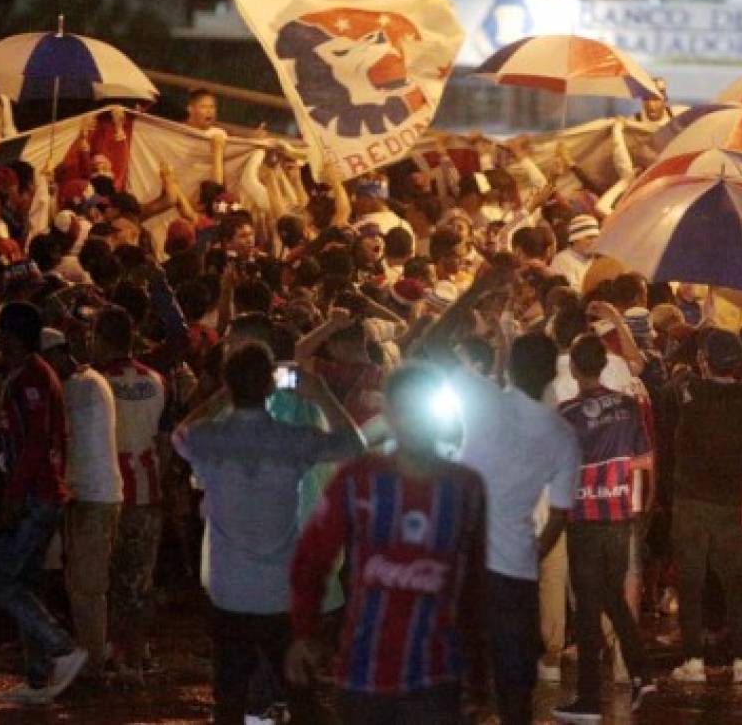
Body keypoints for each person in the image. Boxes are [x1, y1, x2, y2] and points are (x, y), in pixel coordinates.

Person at [173, 341, 365, 725]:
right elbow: (354, 445)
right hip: (280, 592)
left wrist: (220, 398)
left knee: (229, 699)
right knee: (302, 698)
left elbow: (179, 433)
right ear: (269, 387)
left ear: (229, 384)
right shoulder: (291, 439)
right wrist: (323, 395)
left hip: (230, 591)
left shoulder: (209, 438)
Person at [286, 363, 486, 725]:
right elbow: (312, 558)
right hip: (365, 673)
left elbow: (475, 582)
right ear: (389, 413)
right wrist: (303, 633)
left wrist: (479, 669)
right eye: (404, 411)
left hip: (438, 674)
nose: (413, 422)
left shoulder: (465, 488)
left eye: (420, 412)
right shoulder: (358, 481)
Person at [425, 267, 580, 725]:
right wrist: (535, 551)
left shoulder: (483, 398)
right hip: (515, 570)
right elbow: (559, 514)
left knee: (458, 678)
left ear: (509, 367)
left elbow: (433, 346)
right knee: (515, 688)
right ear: (552, 373)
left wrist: (470, 292)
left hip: (463, 561)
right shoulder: (561, 433)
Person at [553, 334, 654, 721]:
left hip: (585, 517)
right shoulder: (629, 406)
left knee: (588, 607)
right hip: (619, 512)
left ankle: (589, 700)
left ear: (575, 368)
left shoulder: (567, 413)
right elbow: (644, 459)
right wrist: (612, 469)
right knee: (611, 595)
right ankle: (643, 672)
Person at [0, 302, 88, 704]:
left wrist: (12, 497)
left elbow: (33, 444)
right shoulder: (26, 373)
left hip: (36, 496)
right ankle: (38, 678)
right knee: (25, 582)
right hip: (38, 492)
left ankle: (62, 648)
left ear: (11, 337)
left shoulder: (31, 378)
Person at [668, 328, 742, 685]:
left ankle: (693, 659)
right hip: (732, 503)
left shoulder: (688, 391)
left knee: (691, 581)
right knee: (736, 582)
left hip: (691, 500)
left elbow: (674, 380)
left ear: (705, 360)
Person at [91, 305, 168, 684]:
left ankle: (110, 653)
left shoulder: (95, 382)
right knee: (138, 581)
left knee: (103, 578)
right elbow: (164, 438)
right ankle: (136, 657)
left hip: (105, 492)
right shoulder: (155, 380)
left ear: (101, 339)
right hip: (147, 489)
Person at [39, 328, 120, 684]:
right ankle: (95, 657)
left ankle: (91, 668)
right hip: (93, 494)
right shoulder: (92, 380)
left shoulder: (78, 388)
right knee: (85, 585)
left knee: (87, 588)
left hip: (92, 496)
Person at [550, 214, 599, 291]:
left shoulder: (596, 261)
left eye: (596, 237)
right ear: (575, 239)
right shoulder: (562, 260)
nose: (594, 241)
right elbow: (572, 293)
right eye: (589, 238)